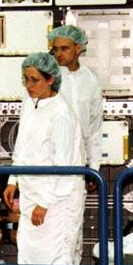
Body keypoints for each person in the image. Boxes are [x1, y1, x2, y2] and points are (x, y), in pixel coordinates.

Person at [2, 52, 87, 265]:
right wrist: (13, 180)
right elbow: (22, 144)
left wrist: (45, 202)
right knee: (38, 259)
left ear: (51, 80)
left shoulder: (61, 114)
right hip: (33, 192)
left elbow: (64, 165)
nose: (29, 85)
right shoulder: (30, 103)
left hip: (59, 199)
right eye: (26, 79)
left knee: (59, 262)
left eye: (35, 80)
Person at [48, 24, 104, 168]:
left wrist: (94, 166)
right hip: (48, 158)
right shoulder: (47, 79)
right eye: (55, 49)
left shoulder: (91, 80)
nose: (58, 54)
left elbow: (94, 128)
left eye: (64, 48)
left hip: (78, 158)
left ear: (78, 48)